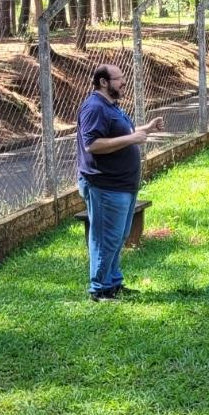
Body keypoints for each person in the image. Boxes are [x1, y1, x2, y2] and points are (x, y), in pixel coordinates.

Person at [76, 63, 163, 301]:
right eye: (119, 79)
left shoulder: (110, 106)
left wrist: (145, 129)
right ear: (104, 82)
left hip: (122, 184)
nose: (124, 82)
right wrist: (133, 138)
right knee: (106, 238)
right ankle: (99, 289)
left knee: (118, 236)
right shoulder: (94, 107)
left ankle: (113, 283)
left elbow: (120, 136)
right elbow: (92, 144)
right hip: (105, 185)